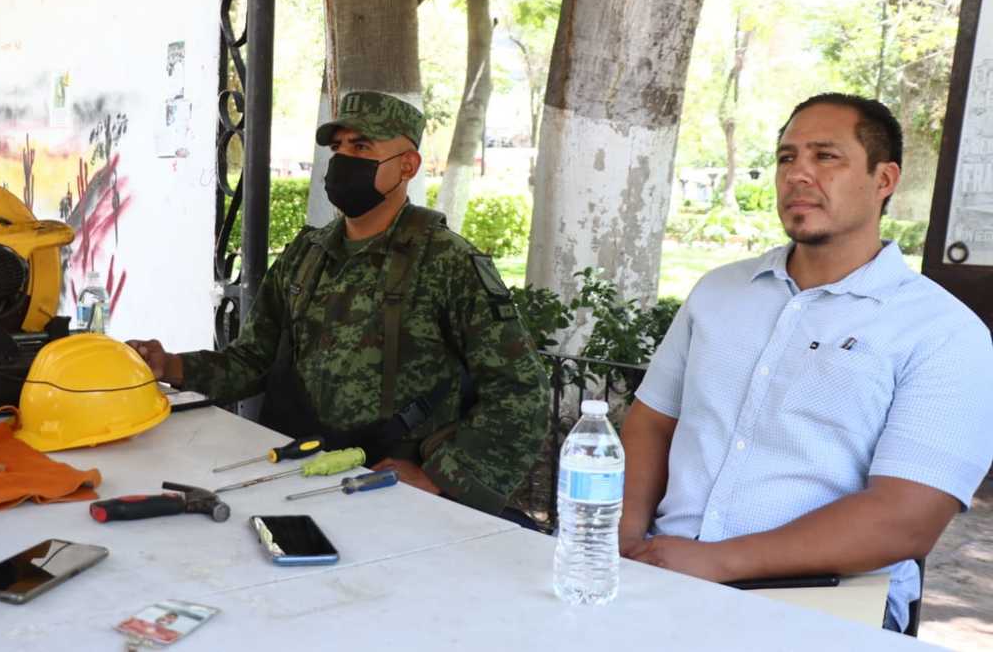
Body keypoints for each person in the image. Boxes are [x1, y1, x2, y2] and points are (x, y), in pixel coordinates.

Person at [619, 93, 993, 631]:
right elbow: (652, 423)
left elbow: (906, 518)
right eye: (787, 157)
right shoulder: (719, 292)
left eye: (826, 157)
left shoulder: (942, 332)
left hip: (828, 602)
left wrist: (719, 562)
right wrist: (624, 538)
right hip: (664, 570)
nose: (798, 175)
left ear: (884, 180)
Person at [130, 91, 550, 519]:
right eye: (338, 148)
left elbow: (521, 390)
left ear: (408, 166)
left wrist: (442, 477)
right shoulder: (306, 255)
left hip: (391, 490)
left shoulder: (446, 261)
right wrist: (171, 367)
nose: (344, 159)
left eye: (362, 146)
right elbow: (252, 360)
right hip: (300, 473)